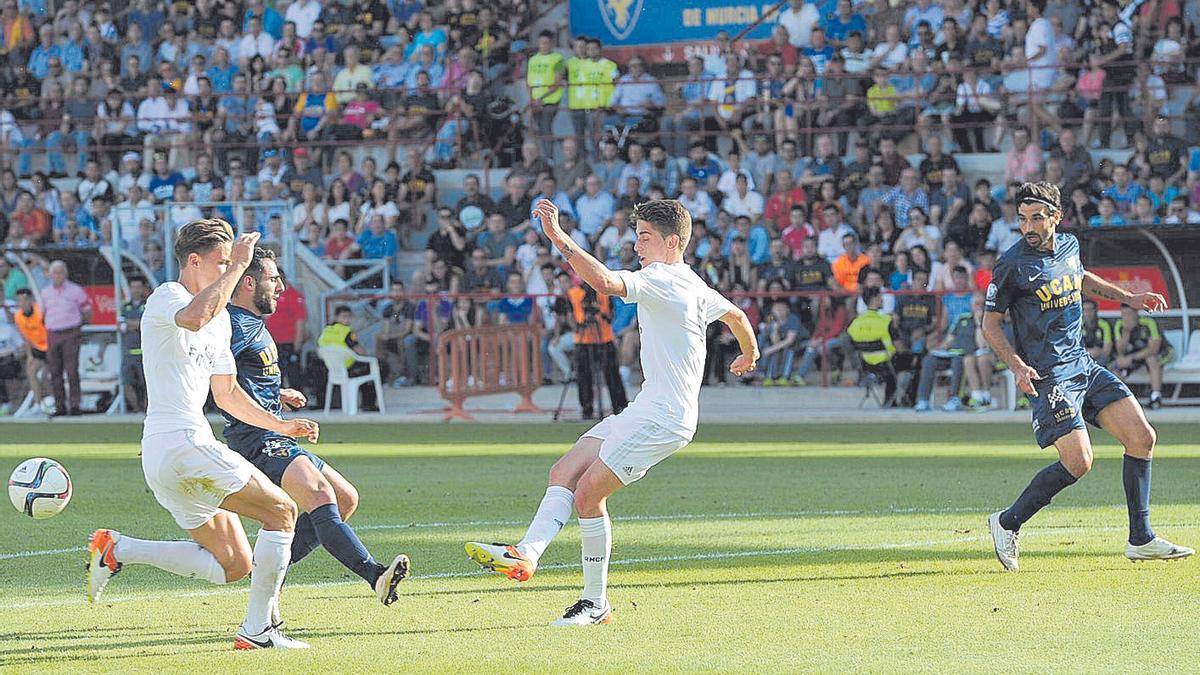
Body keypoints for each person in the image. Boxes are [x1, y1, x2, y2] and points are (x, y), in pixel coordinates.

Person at [465, 199, 758, 626]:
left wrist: (558, 237)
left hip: (665, 418)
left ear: (671, 242)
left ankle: (594, 602)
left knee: (588, 494)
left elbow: (602, 282)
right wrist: (748, 355)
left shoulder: (662, 278)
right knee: (564, 471)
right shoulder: (692, 282)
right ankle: (526, 554)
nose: (637, 245)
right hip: (644, 409)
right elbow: (736, 315)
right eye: (636, 235)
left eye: (645, 237)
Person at [86, 221, 319, 650]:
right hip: (177, 442)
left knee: (235, 564)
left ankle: (118, 549)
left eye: (231, 263)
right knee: (283, 512)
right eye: (222, 263)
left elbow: (227, 394)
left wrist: (280, 424)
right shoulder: (168, 297)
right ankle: (258, 632)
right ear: (194, 262)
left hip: (175, 452)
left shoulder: (222, 323)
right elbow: (194, 316)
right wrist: (241, 267)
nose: (230, 270)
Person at [982, 182, 1191, 572]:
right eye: (1023, 218)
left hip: (1083, 365)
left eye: (1037, 217)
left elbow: (1081, 277)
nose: (1028, 226)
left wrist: (1128, 298)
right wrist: (1015, 364)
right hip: (1049, 375)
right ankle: (1007, 523)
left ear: (1056, 217)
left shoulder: (1069, 246)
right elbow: (990, 323)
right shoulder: (1012, 264)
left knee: (1142, 438)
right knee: (1079, 461)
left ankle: (1141, 539)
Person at [225, 247, 409, 606]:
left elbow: (237, 379)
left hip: (271, 431)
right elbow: (213, 382)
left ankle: (268, 573)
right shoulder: (233, 325)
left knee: (344, 499)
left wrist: (277, 393)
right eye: (273, 278)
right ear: (248, 283)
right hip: (256, 438)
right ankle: (375, 575)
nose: (280, 286)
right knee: (322, 498)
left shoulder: (251, 323)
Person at [565, 277, 628, 419]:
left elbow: (611, 315)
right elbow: (570, 316)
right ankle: (587, 410)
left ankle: (620, 407)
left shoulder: (604, 292)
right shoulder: (573, 293)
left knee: (612, 375)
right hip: (583, 339)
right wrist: (578, 327)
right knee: (584, 377)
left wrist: (600, 312)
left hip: (604, 337)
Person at [41, 260, 91, 416]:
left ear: (66, 274)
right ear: (50, 274)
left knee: (72, 371)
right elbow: (42, 314)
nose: (58, 276)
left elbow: (87, 311)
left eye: (60, 272)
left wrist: (79, 327)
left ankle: (75, 405)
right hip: (53, 333)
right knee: (54, 372)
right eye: (55, 272)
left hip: (71, 332)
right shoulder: (45, 293)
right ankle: (59, 406)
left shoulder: (75, 290)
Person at [1112, 305, 1172, 410]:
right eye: (1124, 315)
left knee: (1152, 360)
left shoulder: (1148, 322)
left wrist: (1131, 358)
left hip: (1162, 351)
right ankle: (1121, 401)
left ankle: (1155, 398)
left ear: (1136, 313)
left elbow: (1154, 348)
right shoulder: (1120, 325)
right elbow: (1120, 351)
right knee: (1118, 365)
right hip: (1136, 354)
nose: (1126, 318)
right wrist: (1126, 333)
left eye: (1129, 314)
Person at [119, 277, 149, 413]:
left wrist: (132, 324)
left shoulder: (148, 305)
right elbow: (120, 325)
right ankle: (136, 410)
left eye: (138, 287)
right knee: (127, 383)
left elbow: (146, 324)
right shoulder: (125, 306)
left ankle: (146, 410)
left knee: (147, 384)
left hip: (145, 352)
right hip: (129, 352)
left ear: (143, 289)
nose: (135, 290)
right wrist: (137, 323)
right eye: (133, 287)